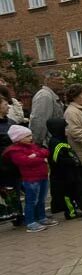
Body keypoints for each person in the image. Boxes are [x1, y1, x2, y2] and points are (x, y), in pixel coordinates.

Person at [2, 125, 58, 233]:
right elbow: (24, 161)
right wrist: (40, 158)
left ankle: (41, 217)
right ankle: (30, 222)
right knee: (31, 201)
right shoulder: (15, 150)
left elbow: (45, 152)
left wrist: (35, 155)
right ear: (19, 138)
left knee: (41, 199)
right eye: (27, 136)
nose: (30, 138)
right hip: (31, 179)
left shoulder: (32, 147)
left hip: (42, 175)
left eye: (30, 135)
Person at [46, 118, 82, 221]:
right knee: (67, 195)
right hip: (63, 175)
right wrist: (71, 161)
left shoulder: (63, 140)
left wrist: (76, 161)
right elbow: (56, 159)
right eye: (64, 128)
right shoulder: (55, 143)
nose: (66, 130)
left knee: (80, 191)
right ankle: (71, 212)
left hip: (73, 172)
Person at [0, 96, 23, 225]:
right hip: (3, 163)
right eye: (4, 104)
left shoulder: (11, 122)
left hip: (16, 162)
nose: (8, 106)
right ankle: (15, 215)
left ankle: (18, 213)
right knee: (9, 189)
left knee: (17, 187)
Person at [28, 70, 65, 145]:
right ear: (48, 80)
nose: (63, 82)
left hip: (53, 141)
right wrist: (37, 144)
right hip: (47, 144)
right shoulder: (44, 96)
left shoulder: (50, 95)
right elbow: (39, 122)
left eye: (63, 79)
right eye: (59, 79)